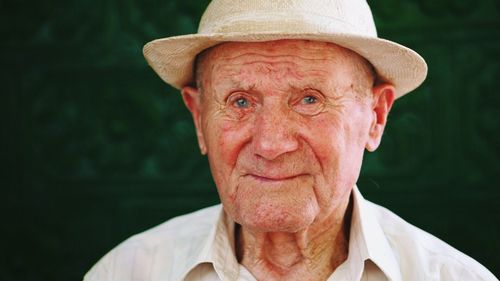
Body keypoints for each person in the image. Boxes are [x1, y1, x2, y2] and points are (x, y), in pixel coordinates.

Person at [84, 0, 497, 280]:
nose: (271, 142)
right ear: (198, 118)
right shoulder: (127, 271)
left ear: (376, 116)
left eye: (309, 99)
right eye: (241, 101)